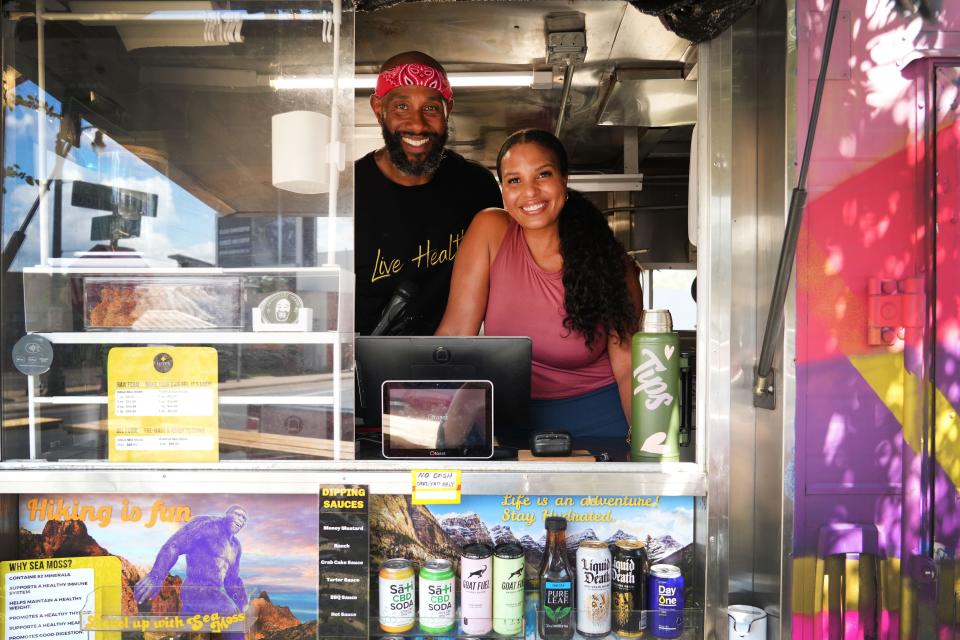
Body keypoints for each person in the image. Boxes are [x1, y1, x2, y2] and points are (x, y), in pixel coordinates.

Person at [436, 129, 643, 443]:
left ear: (563, 179)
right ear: (503, 190)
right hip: (510, 420)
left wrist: (644, 450)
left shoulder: (610, 262)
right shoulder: (490, 230)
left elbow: (629, 366)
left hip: (597, 423)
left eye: (542, 175)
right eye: (514, 180)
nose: (529, 193)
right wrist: (415, 408)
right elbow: (454, 337)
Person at [355, 51, 502, 336]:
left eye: (431, 109)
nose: (418, 124)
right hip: (361, 366)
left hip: (452, 361)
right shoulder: (349, 190)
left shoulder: (476, 187)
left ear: (448, 109)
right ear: (378, 108)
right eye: (401, 106)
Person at [134, 505, 248, 619]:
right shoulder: (207, 524)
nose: (241, 519)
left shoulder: (236, 546)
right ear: (227, 514)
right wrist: (156, 576)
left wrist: (243, 603)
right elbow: (175, 545)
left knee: (187, 631)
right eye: (238, 514)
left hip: (212, 593)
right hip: (195, 588)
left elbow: (232, 580)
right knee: (231, 615)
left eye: (244, 518)